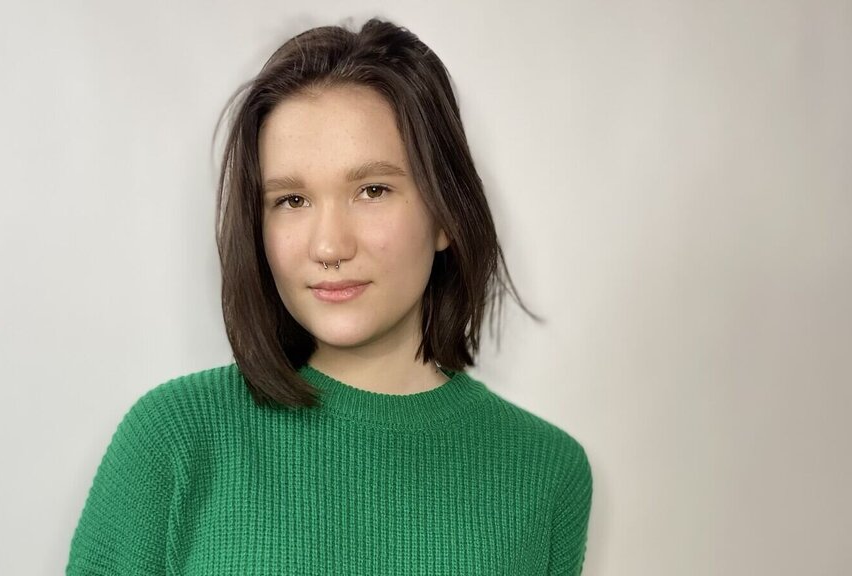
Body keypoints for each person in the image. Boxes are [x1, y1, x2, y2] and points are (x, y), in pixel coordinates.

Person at [66, 16, 593, 576]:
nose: (329, 246)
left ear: (446, 214)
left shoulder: (547, 472)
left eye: (372, 190)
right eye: (291, 200)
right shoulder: (172, 440)